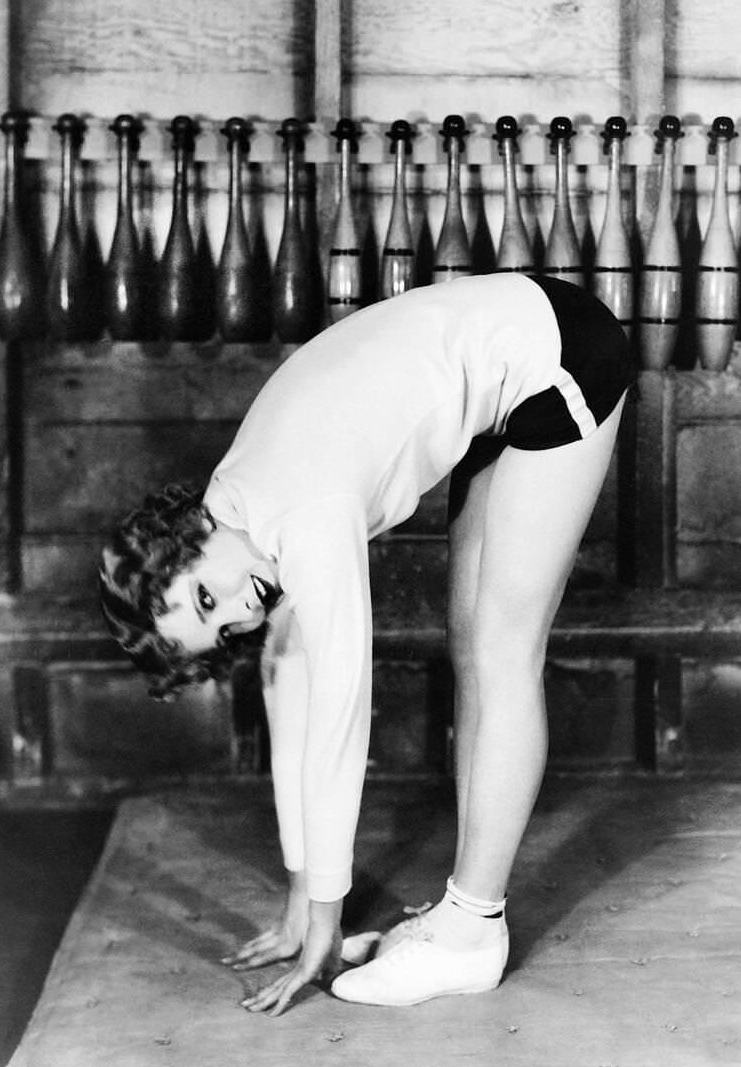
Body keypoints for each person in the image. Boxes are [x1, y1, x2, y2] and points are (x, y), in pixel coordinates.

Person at [99, 271, 635, 1014]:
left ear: (184, 534)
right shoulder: (239, 508)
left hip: (562, 357)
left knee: (504, 650)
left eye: (204, 595)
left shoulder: (302, 512)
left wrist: (326, 916)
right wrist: (300, 890)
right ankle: (461, 914)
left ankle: (472, 931)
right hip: (506, 372)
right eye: (222, 629)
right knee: (471, 642)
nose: (238, 613)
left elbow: (341, 718)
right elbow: (290, 682)